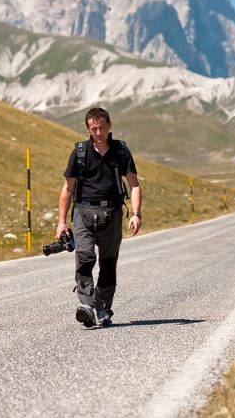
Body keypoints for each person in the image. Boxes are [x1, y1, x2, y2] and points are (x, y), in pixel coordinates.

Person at [55, 106, 142, 328]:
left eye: (102, 128)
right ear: (88, 128)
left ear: (109, 126)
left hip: (111, 214)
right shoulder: (80, 152)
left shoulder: (121, 151)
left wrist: (136, 214)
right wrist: (61, 222)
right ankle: (86, 305)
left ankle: (103, 308)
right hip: (83, 213)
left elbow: (134, 184)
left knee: (108, 262)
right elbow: (68, 188)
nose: (98, 132)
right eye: (93, 129)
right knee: (84, 257)